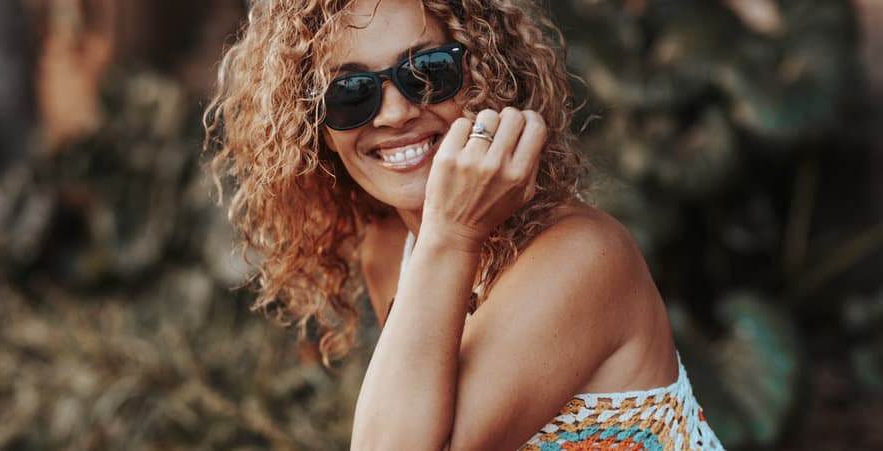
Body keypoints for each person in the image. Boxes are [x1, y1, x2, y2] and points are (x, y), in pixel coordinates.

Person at [205, 0, 724, 449]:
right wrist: (442, 238)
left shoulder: (584, 255)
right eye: (351, 91)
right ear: (314, 125)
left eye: (428, 70)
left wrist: (452, 232)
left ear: (489, 76)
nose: (394, 112)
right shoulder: (393, 251)